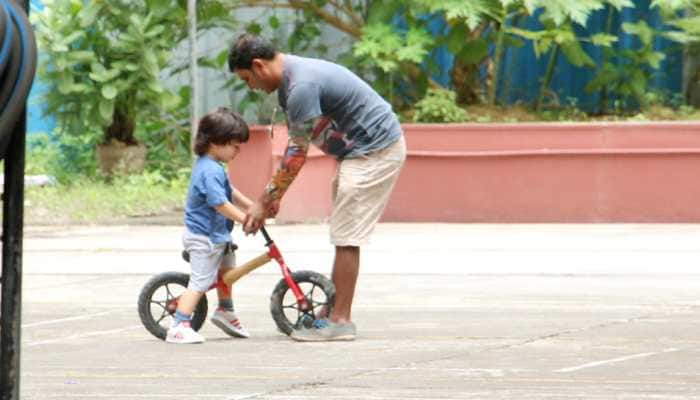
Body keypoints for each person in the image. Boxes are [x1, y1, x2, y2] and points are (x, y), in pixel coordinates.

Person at [228, 34, 407, 342]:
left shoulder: (301, 86)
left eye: (247, 79)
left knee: (347, 236)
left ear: (258, 66)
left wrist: (264, 201)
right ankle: (334, 311)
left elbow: (297, 153)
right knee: (343, 233)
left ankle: (340, 321)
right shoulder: (293, 78)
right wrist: (274, 196)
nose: (251, 87)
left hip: (374, 152)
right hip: (358, 154)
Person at [166, 107, 254, 344]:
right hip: (203, 237)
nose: (238, 151)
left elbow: (230, 192)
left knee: (227, 272)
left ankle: (225, 310)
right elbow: (220, 204)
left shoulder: (215, 167)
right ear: (216, 142)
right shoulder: (208, 170)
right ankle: (179, 325)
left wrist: (252, 207)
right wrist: (246, 219)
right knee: (201, 281)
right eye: (235, 146)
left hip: (218, 235)